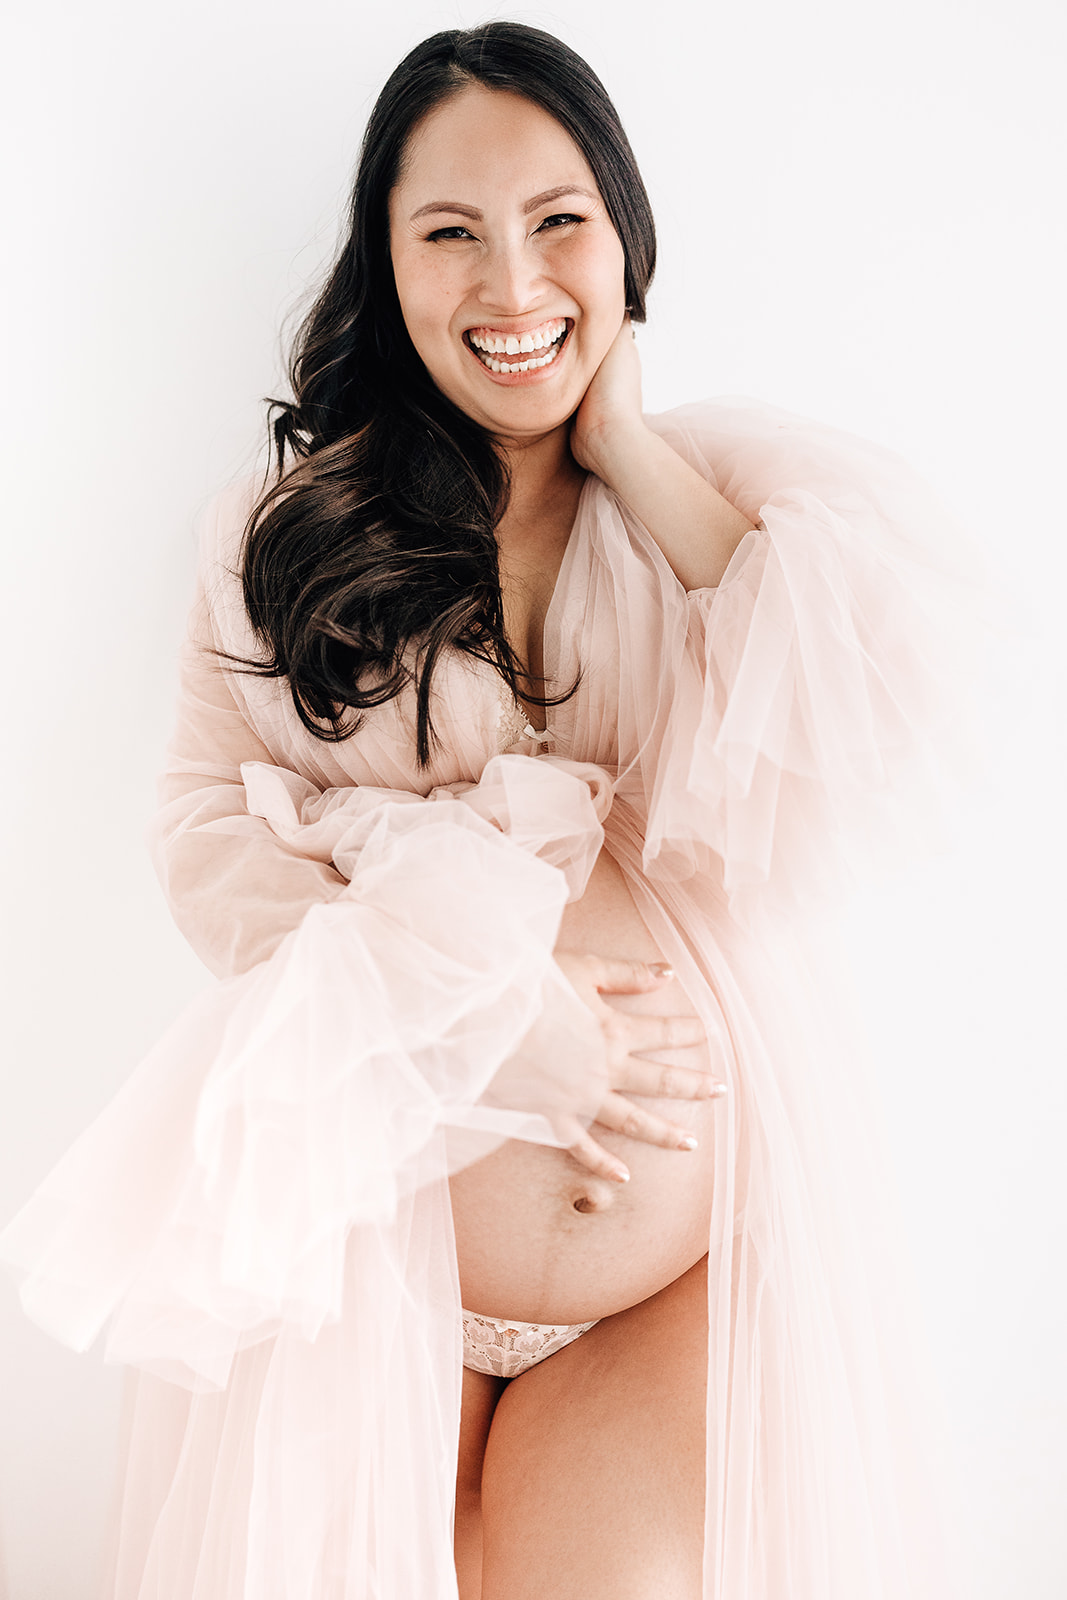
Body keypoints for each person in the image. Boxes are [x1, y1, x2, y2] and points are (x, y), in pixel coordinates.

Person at [1, 21, 973, 1600]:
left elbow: (855, 736)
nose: (513, 288)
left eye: (558, 222)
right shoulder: (282, 538)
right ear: (386, 267)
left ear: (625, 236)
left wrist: (631, 451)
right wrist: (470, 1011)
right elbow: (201, 839)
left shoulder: (721, 507)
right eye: (449, 232)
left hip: (663, 1292)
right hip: (371, 1265)